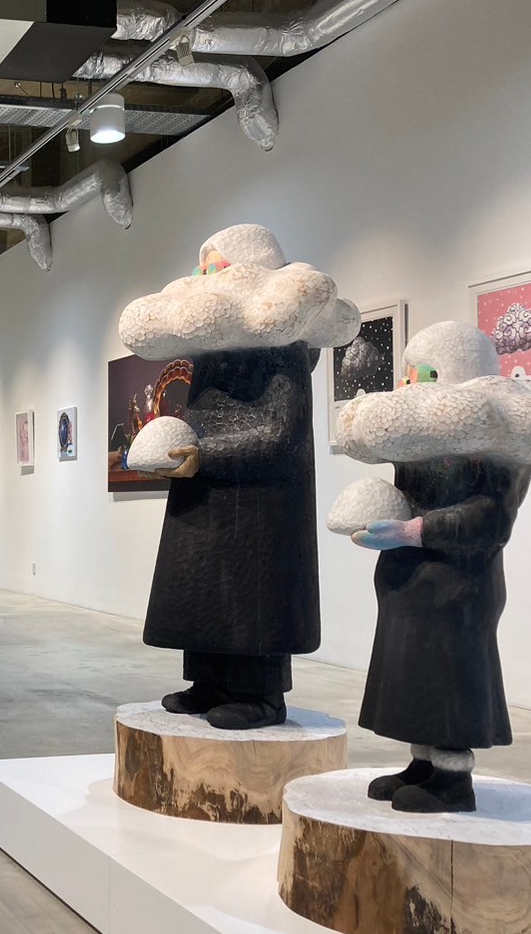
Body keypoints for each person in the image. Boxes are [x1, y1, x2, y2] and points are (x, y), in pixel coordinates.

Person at [335, 322, 531, 811]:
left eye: (420, 373)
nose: (409, 384)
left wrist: (412, 531)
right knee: (413, 673)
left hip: (458, 586)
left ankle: (452, 777)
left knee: (449, 672)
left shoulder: (496, 447)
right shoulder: (420, 437)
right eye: (407, 375)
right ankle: (423, 763)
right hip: (410, 581)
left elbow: (490, 520)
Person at [118, 224, 358, 729]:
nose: (203, 278)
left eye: (214, 268)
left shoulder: (282, 350)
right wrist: (183, 449)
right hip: (206, 487)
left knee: (252, 599)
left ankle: (261, 695)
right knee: (203, 592)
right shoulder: (213, 351)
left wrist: (204, 453)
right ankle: (207, 682)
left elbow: (281, 432)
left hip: (260, 501)